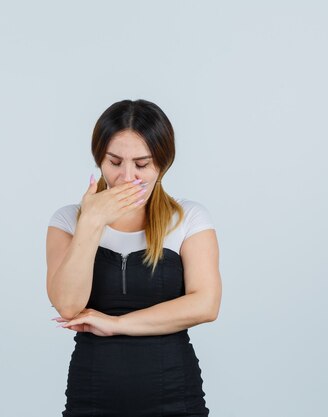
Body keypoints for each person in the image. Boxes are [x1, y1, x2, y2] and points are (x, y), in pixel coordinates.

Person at [45, 99, 222, 416]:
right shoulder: (68, 221)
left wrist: (116, 324)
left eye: (142, 165)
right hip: (92, 396)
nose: (127, 177)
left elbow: (206, 305)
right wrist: (91, 222)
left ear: (162, 164)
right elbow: (68, 305)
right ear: (99, 158)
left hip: (175, 397)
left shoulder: (189, 218)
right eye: (114, 162)